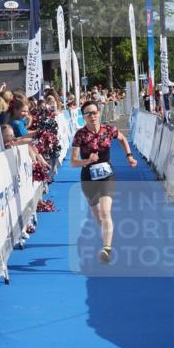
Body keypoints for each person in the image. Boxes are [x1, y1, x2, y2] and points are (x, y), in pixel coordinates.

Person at [70, 100, 138, 265]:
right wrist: (87, 160)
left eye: (94, 112)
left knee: (106, 212)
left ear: (99, 113)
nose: (92, 116)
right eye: (88, 114)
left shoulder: (109, 130)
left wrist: (129, 156)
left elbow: (122, 138)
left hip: (107, 175)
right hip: (88, 177)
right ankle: (107, 234)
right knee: (98, 215)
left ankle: (107, 248)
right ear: (84, 117)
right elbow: (73, 162)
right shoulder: (80, 135)